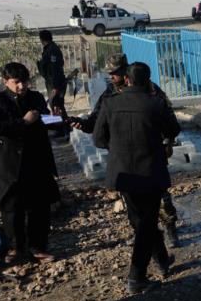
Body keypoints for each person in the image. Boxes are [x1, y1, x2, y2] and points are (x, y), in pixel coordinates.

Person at [71, 53, 182, 248]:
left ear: (126, 73)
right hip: (125, 158)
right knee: (133, 204)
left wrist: (168, 143)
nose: (112, 77)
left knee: (161, 199)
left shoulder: (150, 89)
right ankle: (143, 235)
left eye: (115, 73)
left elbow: (168, 119)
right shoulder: (110, 94)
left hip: (150, 154)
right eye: (110, 74)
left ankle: (170, 229)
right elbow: (95, 123)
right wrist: (80, 124)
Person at [93, 62, 181, 294]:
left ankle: (161, 261)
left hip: (123, 174)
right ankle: (136, 277)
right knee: (145, 224)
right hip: (150, 172)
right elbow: (173, 130)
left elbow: (99, 140)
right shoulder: (156, 103)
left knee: (141, 222)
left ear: (128, 80)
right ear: (148, 80)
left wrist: (120, 148)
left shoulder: (110, 103)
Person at [0, 62, 59, 264]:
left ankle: (38, 247)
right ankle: (16, 247)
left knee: (39, 207)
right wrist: (23, 122)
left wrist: (56, 119)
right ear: (6, 82)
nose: (21, 86)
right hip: (9, 163)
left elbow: (44, 119)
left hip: (36, 160)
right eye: (16, 82)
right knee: (11, 208)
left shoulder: (35, 97)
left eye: (24, 82)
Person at [37, 30, 67, 117]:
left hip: (54, 82)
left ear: (42, 40)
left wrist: (55, 86)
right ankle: (63, 125)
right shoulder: (50, 49)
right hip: (52, 82)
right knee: (56, 105)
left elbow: (55, 68)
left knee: (56, 105)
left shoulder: (52, 50)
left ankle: (63, 126)